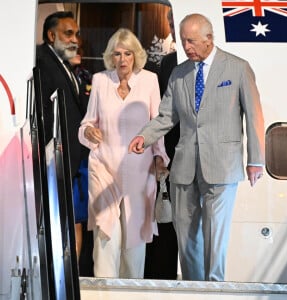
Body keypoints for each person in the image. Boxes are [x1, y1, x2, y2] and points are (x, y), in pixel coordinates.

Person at [129, 13, 265, 282]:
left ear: (209, 39)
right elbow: (166, 116)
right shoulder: (180, 74)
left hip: (223, 166)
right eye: (183, 41)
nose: (186, 46)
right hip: (185, 166)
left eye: (191, 41)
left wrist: (256, 160)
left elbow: (254, 115)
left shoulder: (237, 68)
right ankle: (193, 289)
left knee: (215, 236)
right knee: (187, 236)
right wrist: (144, 137)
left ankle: (214, 289)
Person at [78, 28, 170, 279]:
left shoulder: (150, 80)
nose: (122, 59)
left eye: (127, 53)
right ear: (111, 56)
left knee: (134, 242)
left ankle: (131, 292)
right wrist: (88, 133)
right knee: (106, 235)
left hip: (139, 171)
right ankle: (104, 292)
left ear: (135, 55)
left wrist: (160, 156)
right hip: (104, 167)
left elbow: (157, 123)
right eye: (117, 54)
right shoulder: (100, 80)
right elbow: (86, 124)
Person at [35, 11, 90, 264]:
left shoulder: (65, 65)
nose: (75, 39)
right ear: (51, 35)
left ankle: (70, 278)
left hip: (71, 163)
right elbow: (42, 112)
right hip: (54, 163)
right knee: (55, 226)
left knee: (72, 224)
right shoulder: (41, 60)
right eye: (69, 33)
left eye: (76, 34)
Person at [144, 7, 179, 280]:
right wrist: (159, 152)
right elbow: (161, 112)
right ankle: (161, 278)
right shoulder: (167, 63)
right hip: (166, 153)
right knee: (164, 219)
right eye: (171, 22)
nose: (172, 26)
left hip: (194, 155)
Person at [68, 44, 94, 276]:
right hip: (63, 157)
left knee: (80, 220)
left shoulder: (88, 78)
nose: (77, 50)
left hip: (85, 158)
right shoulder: (51, 75)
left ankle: (77, 272)